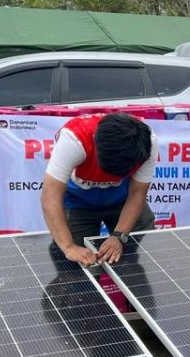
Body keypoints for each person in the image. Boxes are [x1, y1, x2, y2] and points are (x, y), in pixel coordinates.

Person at [41, 112, 157, 267]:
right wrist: (68, 247)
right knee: (77, 264)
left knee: (144, 251)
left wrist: (119, 236)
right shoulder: (74, 139)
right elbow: (50, 195)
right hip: (78, 203)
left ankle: (131, 283)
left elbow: (137, 193)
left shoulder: (146, 142)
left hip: (122, 200)